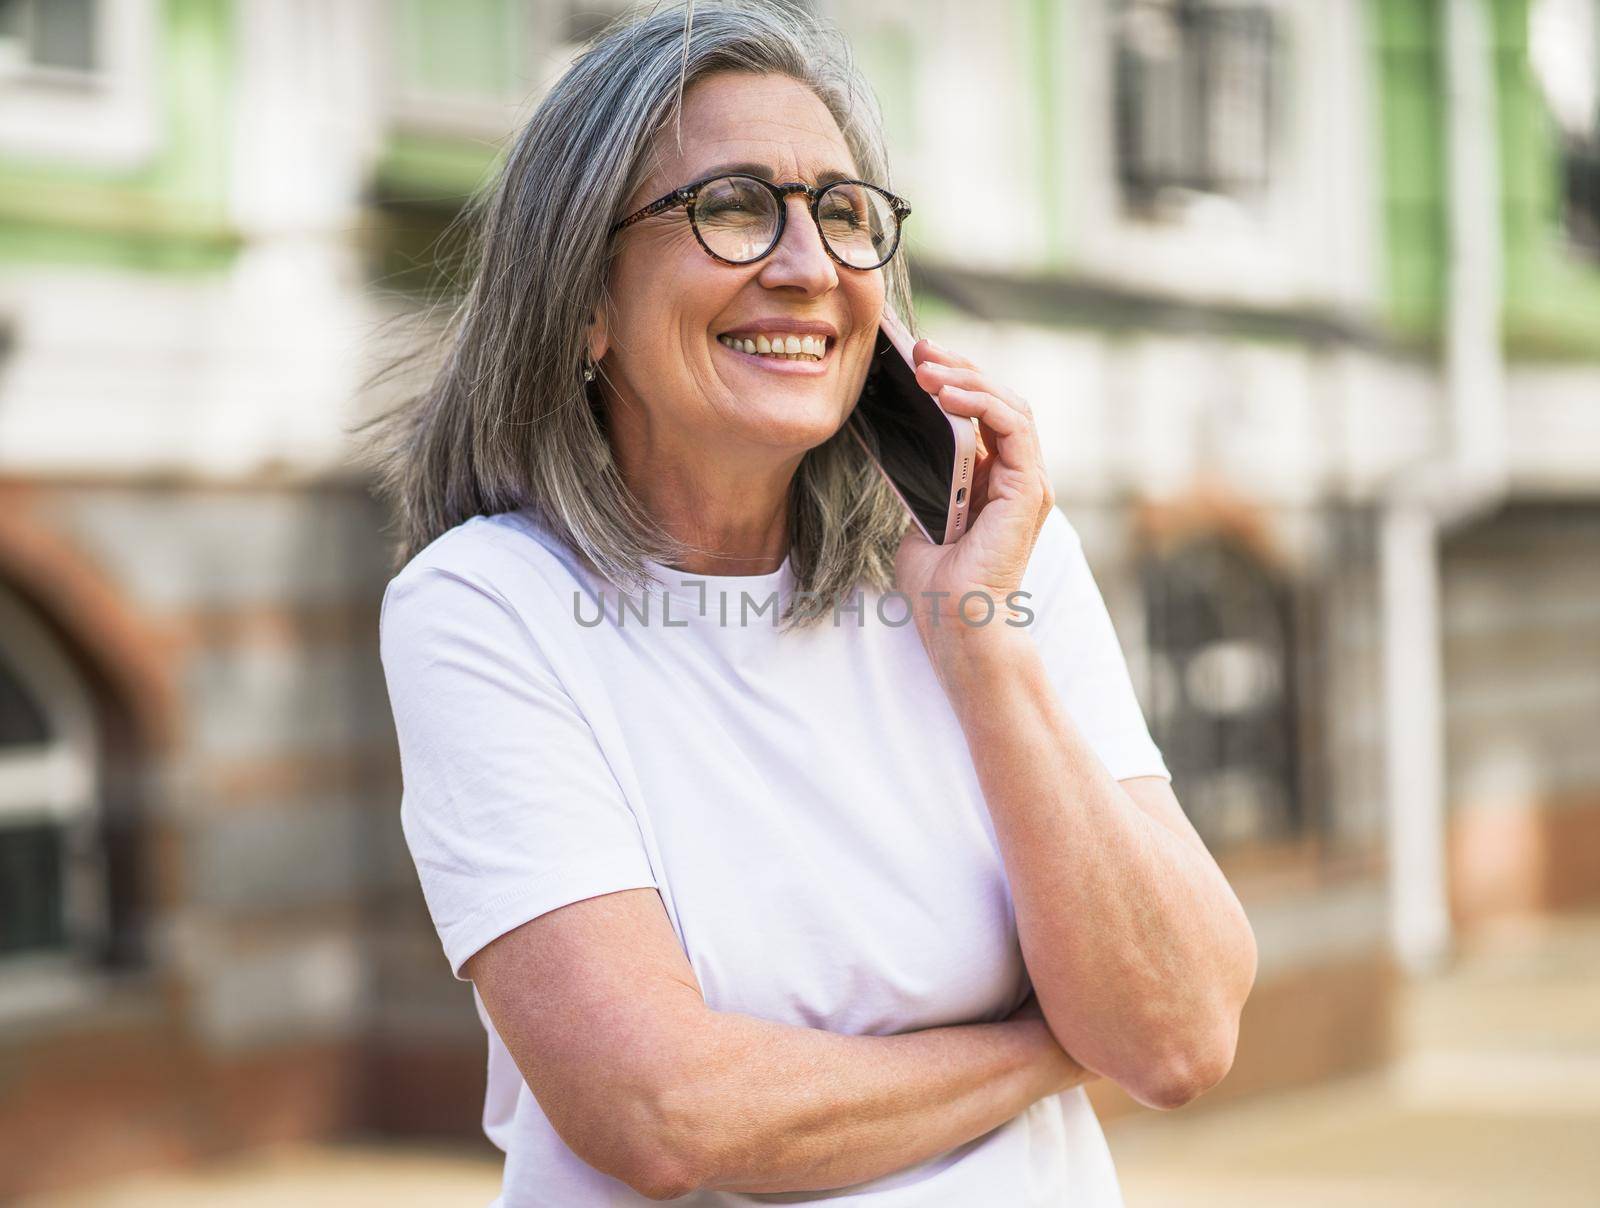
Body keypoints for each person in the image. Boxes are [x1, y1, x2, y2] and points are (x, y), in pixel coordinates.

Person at [366, 2, 1257, 1204]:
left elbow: (1182, 1033)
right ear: (582, 297)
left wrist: (975, 641)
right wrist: (1049, 1043)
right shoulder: (488, 606)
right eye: (730, 207)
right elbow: (664, 1111)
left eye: (843, 213)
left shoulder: (999, 557)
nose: (806, 266)